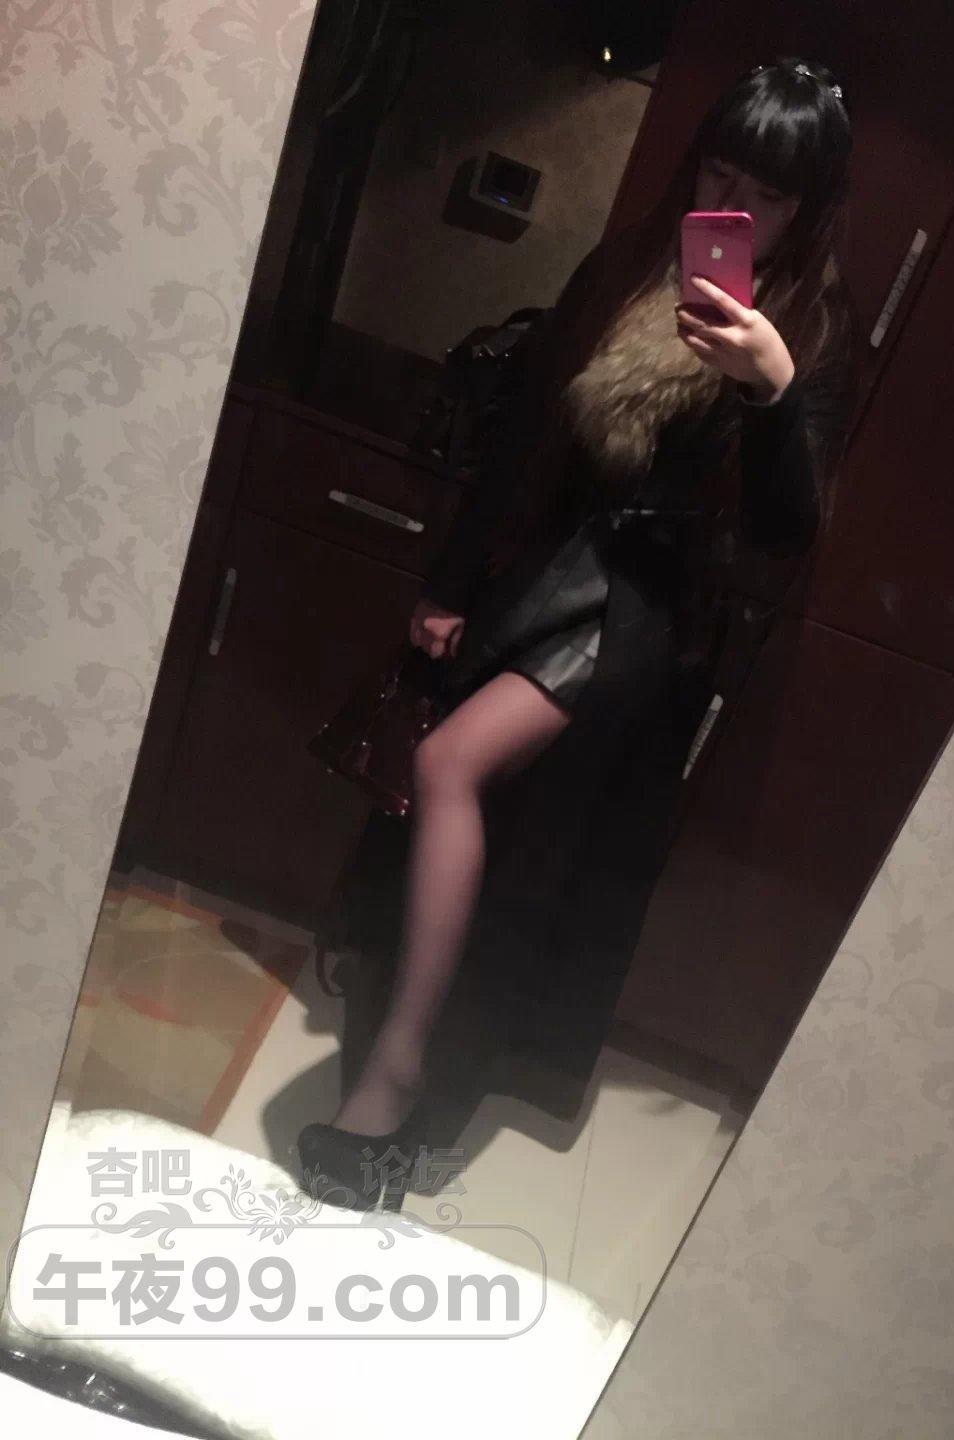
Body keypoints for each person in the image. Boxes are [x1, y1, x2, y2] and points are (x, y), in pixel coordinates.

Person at [298, 56, 860, 1211]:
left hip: (642, 610)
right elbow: (529, 437)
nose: (733, 204)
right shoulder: (631, 264)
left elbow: (783, 531)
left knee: (454, 769)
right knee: (476, 808)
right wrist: (451, 578)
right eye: (720, 171)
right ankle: (414, 1029)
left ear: (806, 208)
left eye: (765, 192)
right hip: (546, 572)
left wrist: (770, 392)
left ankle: (400, 1071)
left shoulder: (809, 326)